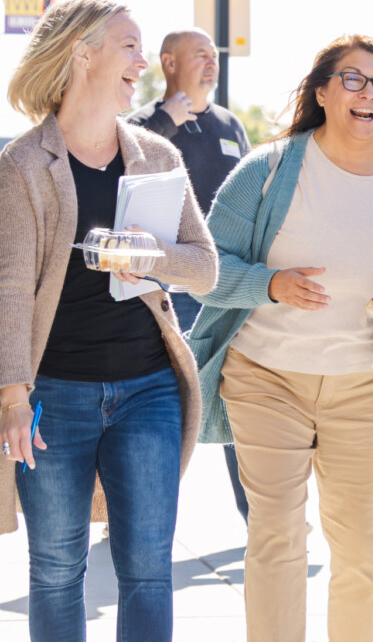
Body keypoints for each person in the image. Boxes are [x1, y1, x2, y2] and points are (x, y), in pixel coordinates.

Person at [188, 34, 373, 642]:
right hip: (265, 379)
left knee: (364, 552)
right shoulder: (268, 168)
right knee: (276, 537)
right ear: (322, 93)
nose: (369, 93)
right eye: (353, 80)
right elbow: (205, 268)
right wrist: (270, 285)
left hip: (366, 389)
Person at [0, 0, 218, 640]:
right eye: (130, 45)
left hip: (149, 389)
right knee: (55, 571)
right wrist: (11, 394)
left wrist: (151, 257)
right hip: (54, 396)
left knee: (148, 571)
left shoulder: (158, 156)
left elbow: (204, 267)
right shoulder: (21, 165)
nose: (144, 61)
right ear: (82, 52)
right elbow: (9, 286)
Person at [128, 27, 252, 523]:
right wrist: (165, 120)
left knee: (237, 393)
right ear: (169, 62)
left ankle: (257, 513)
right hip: (164, 290)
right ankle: (136, 512)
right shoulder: (141, 123)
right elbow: (127, 173)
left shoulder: (229, 124)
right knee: (163, 401)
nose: (212, 61)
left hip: (223, 283)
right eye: (200, 54)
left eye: (215, 54)